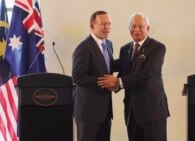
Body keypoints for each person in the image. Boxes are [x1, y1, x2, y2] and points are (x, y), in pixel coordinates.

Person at [98, 12, 170, 141]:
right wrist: (96, 67)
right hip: (132, 113)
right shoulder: (126, 49)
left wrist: (118, 82)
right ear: (129, 28)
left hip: (152, 112)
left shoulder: (157, 48)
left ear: (147, 28)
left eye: (140, 26)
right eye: (133, 26)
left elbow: (147, 73)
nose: (136, 30)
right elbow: (118, 67)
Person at [72, 10, 115, 141]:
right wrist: (103, 82)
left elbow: (108, 67)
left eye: (109, 24)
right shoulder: (84, 47)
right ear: (92, 26)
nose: (107, 27)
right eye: (103, 24)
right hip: (88, 112)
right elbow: (78, 77)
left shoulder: (108, 44)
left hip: (105, 111)